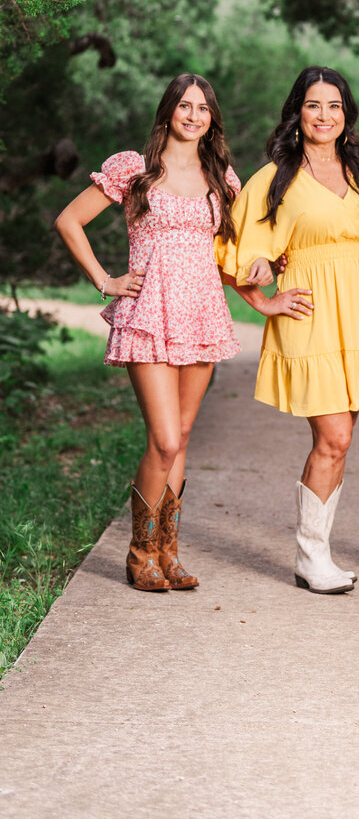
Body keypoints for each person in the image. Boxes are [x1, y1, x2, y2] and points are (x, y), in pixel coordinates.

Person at [55, 73, 250, 592]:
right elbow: (70, 221)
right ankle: (140, 552)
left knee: (182, 437)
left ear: (212, 118)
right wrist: (105, 281)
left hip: (201, 313)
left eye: (203, 108)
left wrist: (266, 290)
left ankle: (168, 552)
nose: (194, 115)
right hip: (147, 314)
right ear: (168, 112)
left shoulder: (221, 176)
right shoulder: (134, 168)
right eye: (185, 106)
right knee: (163, 440)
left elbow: (237, 250)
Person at [216, 67, 359, 596]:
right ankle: (310, 556)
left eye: (334, 106)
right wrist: (264, 304)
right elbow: (234, 250)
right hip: (309, 312)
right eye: (314, 106)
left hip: (357, 311)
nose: (325, 116)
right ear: (298, 113)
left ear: (346, 115)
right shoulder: (275, 178)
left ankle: (319, 554)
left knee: (343, 441)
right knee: (333, 438)